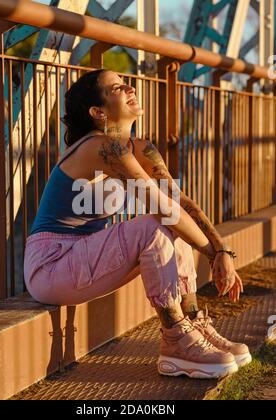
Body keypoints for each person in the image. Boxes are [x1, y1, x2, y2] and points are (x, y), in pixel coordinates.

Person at [24, 69, 251, 379]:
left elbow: (180, 203)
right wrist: (212, 255)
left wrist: (222, 249)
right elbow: (162, 209)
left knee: (173, 225)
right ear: (98, 112)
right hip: (51, 265)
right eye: (117, 87)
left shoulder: (139, 147)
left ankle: (194, 323)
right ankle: (176, 340)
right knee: (154, 224)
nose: (130, 86)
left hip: (82, 262)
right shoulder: (99, 146)